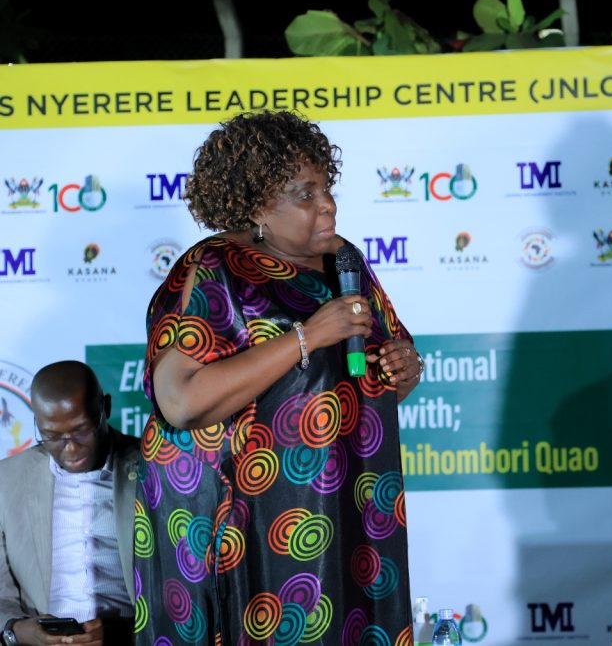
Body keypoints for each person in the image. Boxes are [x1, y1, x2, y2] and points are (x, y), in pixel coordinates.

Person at [134, 111, 421, 645]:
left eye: (326, 188)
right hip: (241, 518)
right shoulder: (213, 266)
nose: (327, 204)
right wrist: (306, 338)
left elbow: (374, 376)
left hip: (341, 503)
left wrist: (404, 367)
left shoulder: (346, 262)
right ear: (256, 204)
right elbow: (180, 401)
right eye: (304, 193)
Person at [0, 361, 138, 646]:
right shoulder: (7, 480)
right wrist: (21, 632)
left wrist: (121, 634)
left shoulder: (153, 468)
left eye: (82, 431)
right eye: (52, 436)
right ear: (37, 424)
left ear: (105, 409)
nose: (71, 448)